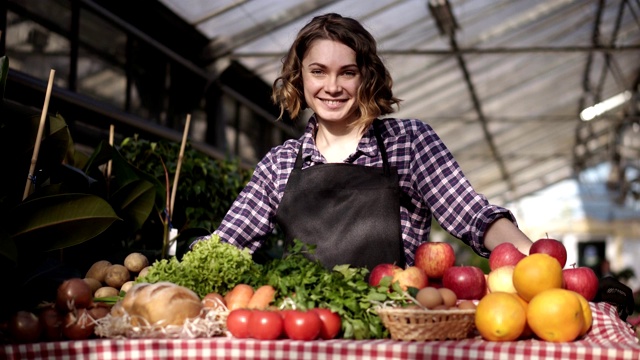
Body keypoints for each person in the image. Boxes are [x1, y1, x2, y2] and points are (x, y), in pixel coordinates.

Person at [192, 13, 533, 271]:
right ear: (299, 77)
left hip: (395, 326)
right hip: (308, 329)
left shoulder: (409, 142)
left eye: (348, 72)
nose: (333, 86)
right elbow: (228, 243)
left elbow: (472, 215)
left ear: (366, 77)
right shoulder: (279, 164)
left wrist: (539, 263)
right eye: (318, 71)